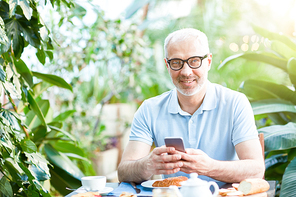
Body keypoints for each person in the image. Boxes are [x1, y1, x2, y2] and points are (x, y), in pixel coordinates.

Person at [117, 28, 265, 185]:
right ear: (167, 65)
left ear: (208, 61)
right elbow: (124, 171)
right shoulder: (149, 109)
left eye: (194, 61)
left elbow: (256, 170)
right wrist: (147, 165)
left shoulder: (235, 103)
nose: (186, 72)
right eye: (176, 63)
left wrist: (209, 167)